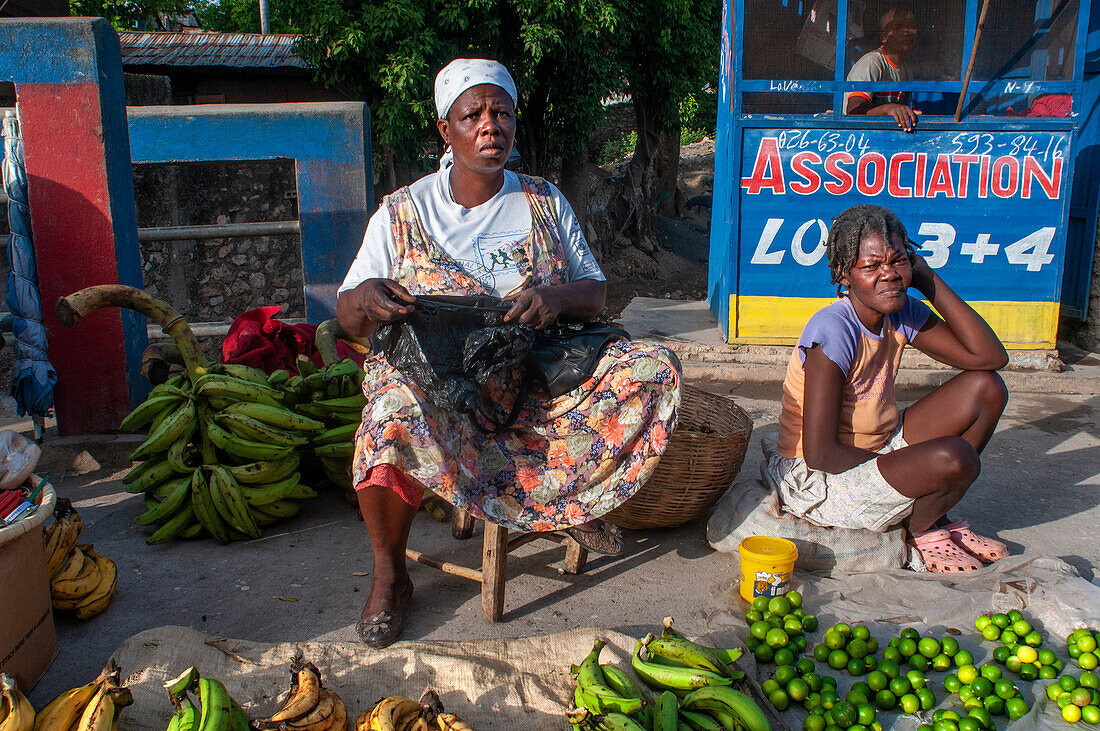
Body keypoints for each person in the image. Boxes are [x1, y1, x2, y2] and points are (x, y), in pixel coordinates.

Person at [335, 59, 682, 647]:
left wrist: (552, 298)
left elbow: (595, 291)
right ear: (447, 130)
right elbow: (347, 312)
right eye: (473, 115)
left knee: (653, 370)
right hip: (442, 391)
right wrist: (368, 296)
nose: (489, 125)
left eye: (501, 112)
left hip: (538, 386)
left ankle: (572, 498)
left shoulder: (545, 203)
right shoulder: (402, 213)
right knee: (387, 417)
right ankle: (391, 573)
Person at [767, 205, 1010, 574]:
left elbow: (989, 357)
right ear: (843, 275)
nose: (889, 275)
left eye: (898, 262)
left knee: (987, 388)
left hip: (876, 447)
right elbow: (820, 454)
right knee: (953, 458)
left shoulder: (901, 311)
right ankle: (920, 528)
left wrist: (928, 281)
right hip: (820, 479)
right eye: (871, 266)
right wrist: (914, 471)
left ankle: (930, 509)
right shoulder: (832, 331)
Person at [845, 5, 921, 132]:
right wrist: (888, 108)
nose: (906, 31)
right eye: (898, 27)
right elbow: (854, 110)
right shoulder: (872, 62)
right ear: (884, 37)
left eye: (911, 26)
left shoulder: (907, 70)